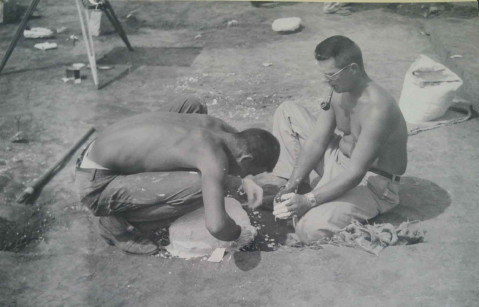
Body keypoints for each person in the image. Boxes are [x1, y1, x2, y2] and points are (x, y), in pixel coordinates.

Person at [75, 97, 280, 255]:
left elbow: (245, 144)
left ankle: (133, 180)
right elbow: (217, 226)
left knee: (192, 104)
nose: (251, 176)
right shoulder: (213, 160)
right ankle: (116, 224)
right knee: (201, 186)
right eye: (252, 172)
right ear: (245, 158)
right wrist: (240, 232)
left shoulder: (218, 126)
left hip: (98, 150)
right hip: (96, 184)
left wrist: (246, 181)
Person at [272, 35, 408, 244]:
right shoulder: (339, 90)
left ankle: (312, 202)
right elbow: (317, 140)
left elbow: (355, 173)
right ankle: (294, 194)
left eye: (331, 76)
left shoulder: (378, 109)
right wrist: (292, 184)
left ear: (352, 69)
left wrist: (309, 201)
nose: (327, 81)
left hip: (370, 182)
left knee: (308, 229)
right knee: (288, 112)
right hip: (339, 158)